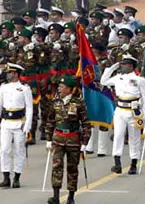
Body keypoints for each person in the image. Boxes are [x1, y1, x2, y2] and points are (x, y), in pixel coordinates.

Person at [45, 75, 92, 204]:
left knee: (72, 168)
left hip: (73, 139)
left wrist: (85, 143)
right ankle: (56, 196)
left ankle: (71, 197)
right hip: (58, 138)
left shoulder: (79, 103)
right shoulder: (55, 102)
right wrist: (48, 139)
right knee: (57, 167)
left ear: (69, 89)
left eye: (62, 87)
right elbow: (50, 121)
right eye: (59, 86)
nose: (59, 89)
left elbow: (86, 124)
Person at [100, 56, 145, 175]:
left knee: (134, 138)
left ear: (131, 66)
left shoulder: (139, 80)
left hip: (134, 111)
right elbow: (103, 81)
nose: (122, 66)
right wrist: (113, 67)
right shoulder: (117, 78)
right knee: (118, 136)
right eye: (121, 64)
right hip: (120, 110)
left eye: (124, 64)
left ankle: (133, 164)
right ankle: (117, 163)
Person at [0, 63, 33, 189]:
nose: (8, 75)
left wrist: (27, 126)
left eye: (10, 73)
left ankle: (17, 177)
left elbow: (30, 108)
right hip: (5, 123)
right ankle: (5, 177)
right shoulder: (4, 87)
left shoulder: (25, 88)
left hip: (19, 123)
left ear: (16, 74)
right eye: (8, 72)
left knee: (19, 150)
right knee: (4, 150)